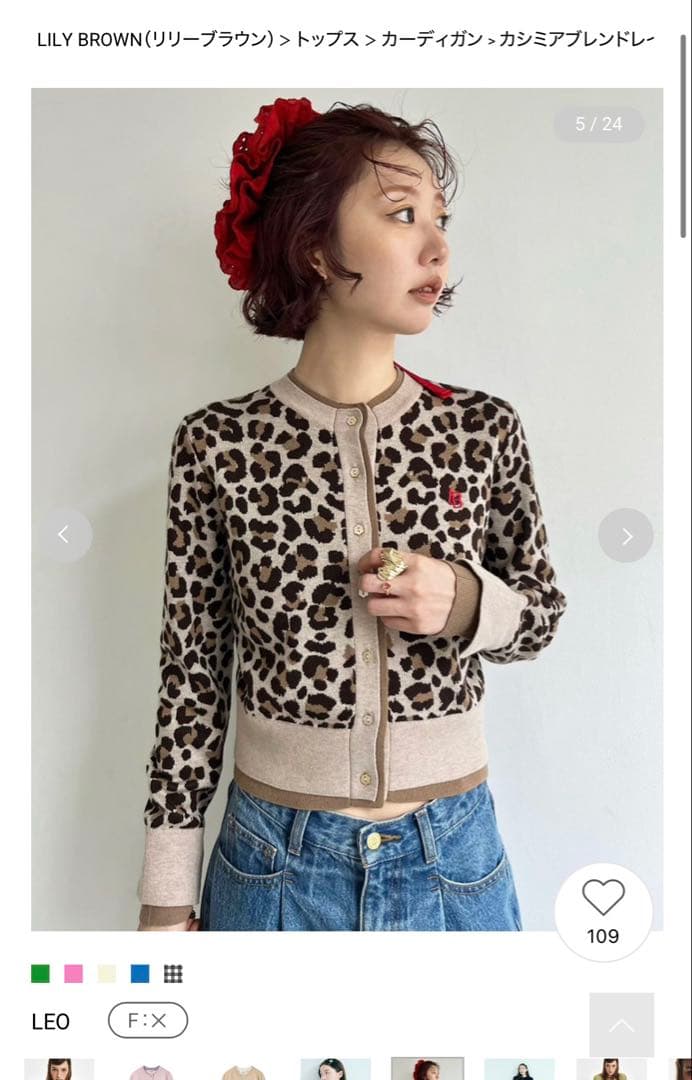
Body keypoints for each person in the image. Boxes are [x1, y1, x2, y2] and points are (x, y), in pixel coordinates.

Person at [137, 96, 567, 932]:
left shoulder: (480, 429)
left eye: (440, 219)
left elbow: (541, 617)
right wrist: (165, 894)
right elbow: (191, 680)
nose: (437, 246)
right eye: (402, 214)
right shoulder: (219, 444)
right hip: (272, 861)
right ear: (315, 246)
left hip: (453, 857)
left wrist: (463, 601)